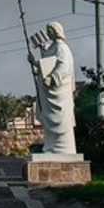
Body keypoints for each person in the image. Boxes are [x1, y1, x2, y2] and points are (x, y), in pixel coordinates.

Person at [28, 21, 77, 155]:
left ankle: (63, 148)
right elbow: (47, 64)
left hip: (59, 93)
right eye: (48, 31)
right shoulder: (52, 47)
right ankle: (51, 147)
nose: (48, 33)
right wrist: (35, 63)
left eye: (50, 31)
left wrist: (53, 78)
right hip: (48, 93)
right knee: (47, 117)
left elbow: (64, 66)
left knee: (61, 119)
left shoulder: (62, 48)